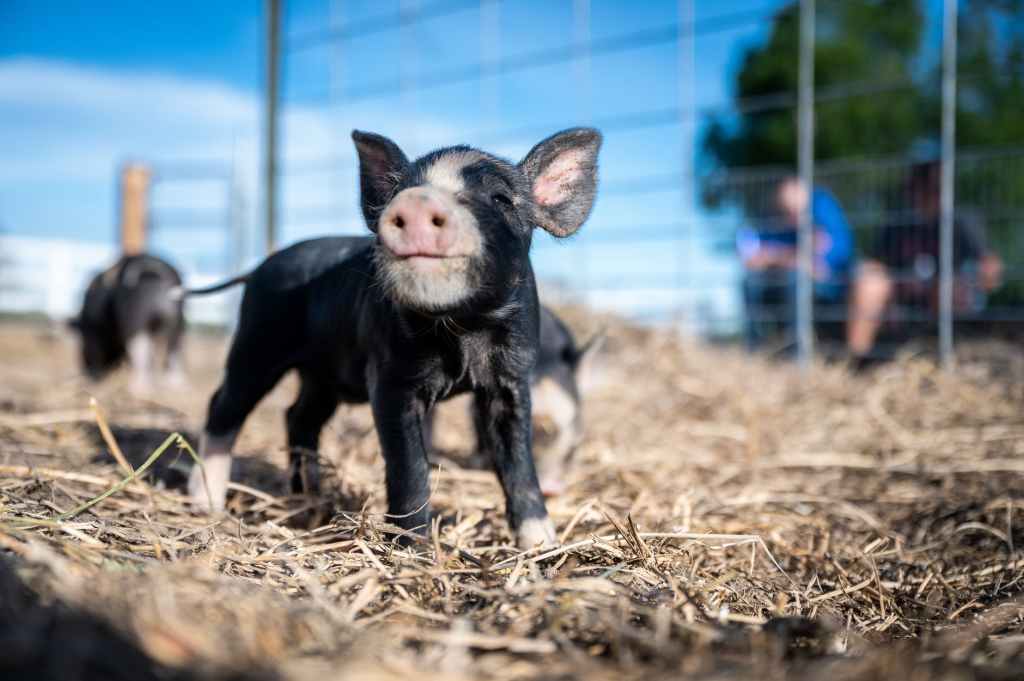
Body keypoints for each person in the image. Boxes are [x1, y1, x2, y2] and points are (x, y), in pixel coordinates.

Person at [847, 161, 1003, 363]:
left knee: (945, 287)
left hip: (948, 296)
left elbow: (990, 267)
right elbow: (877, 262)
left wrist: (975, 279)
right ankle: (857, 360)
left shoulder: (962, 221)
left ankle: (944, 357)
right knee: (868, 280)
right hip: (902, 296)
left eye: (934, 188)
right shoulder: (899, 222)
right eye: (921, 188)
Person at [737, 177, 854, 350]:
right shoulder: (774, 219)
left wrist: (778, 256)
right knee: (751, 281)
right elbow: (753, 257)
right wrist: (794, 257)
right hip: (781, 281)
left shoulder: (824, 208)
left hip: (828, 284)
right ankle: (755, 348)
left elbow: (825, 259)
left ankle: (796, 351)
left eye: (798, 212)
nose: (793, 218)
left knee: (794, 279)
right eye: (787, 212)